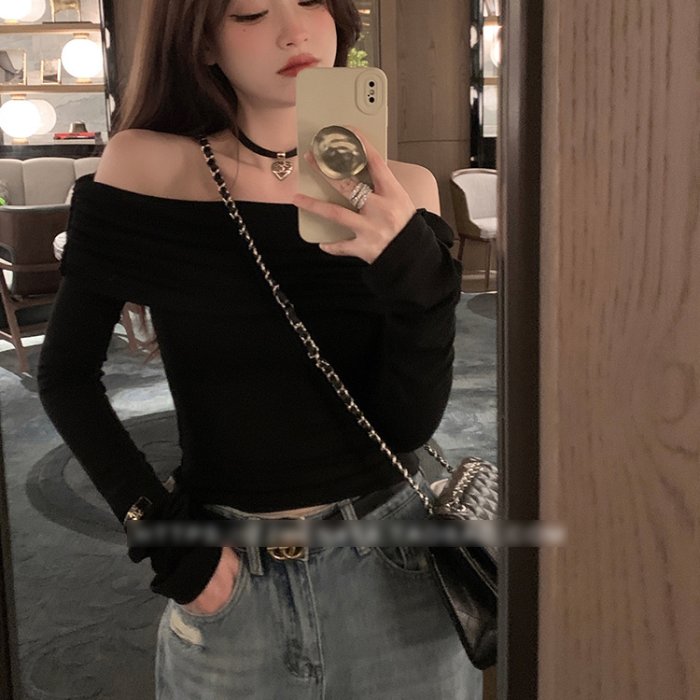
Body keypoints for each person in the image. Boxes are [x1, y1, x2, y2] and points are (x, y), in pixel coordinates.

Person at [37, 0, 483, 697]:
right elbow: (66, 374)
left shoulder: (407, 192)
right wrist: (162, 534)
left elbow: (407, 423)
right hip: (229, 581)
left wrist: (410, 264)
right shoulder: (147, 166)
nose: (293, 30)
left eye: (310, 0)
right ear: (203, 43)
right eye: (250, 13)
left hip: (397, 566)